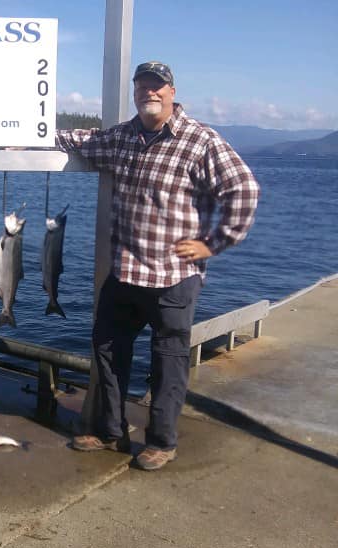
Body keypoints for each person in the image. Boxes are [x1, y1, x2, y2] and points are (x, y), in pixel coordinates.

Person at [55, 61, 259, 470]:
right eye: (142, 85)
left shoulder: (200, 140)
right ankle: (110, 429)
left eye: (157, 86)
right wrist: (17, 136)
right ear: (134, 92)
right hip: (125, 270)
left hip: (173, 278)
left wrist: (213, 244)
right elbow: (79, 139)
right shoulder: (121, 138)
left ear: (172, 91)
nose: (150, 92)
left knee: (168, 361)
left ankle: (162, 441)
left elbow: (243, 188)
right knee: (108, 351)